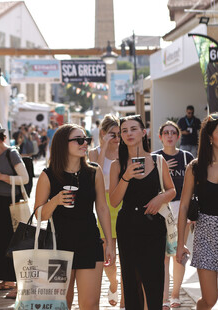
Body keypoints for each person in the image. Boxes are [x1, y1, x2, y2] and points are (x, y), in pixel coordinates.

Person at [34, 124, 115, 310]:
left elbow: (102, 208)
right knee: (62, 304)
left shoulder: (94, 172)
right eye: (79, 140)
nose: (84, 143)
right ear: (63, 144)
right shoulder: (48, 176)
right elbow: (39, 216)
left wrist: (109, 243)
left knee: (90, 304)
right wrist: (55, 201)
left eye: (86, 139)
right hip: (58, 246)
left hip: (89, 242)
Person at [109, 115, 176, 310]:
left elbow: (172, 190)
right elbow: (114, 202)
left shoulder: (158, 160)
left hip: (154, 225)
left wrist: (160, 198)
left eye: (133, 129)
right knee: (131, 280)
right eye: (124, 130)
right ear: (121, 136)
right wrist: (127, 176)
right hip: (128, 224)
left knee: (154, 278)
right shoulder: (117, 165)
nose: (129, 133)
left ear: (143, 132)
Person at [177, 112, 218, 310]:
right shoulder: (196, 167)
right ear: (209, 136)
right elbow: (183, 206)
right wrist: (180, 244)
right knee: (209, 300)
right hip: (205, 236)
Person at [0, 123, 29, 299]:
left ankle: (17, 282)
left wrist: (0, 177)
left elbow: (24, 178)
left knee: (10, 243)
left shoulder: (11, 153)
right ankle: (6, 279)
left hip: (8, 205)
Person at [153, 121, 194, 309]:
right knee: (162, 256)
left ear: (178, 136)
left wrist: (193, 212)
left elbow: (195, 187)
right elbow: (150, 188)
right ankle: (163, 297)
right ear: (160, 137)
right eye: (166, 133)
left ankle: (175, 294)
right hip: (162, 210)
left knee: (179, 253)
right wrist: (163, 170)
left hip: (182, 209)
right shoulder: (154, 158)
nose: (169, 135)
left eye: (173, 132)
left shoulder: (187, 157)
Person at [89, 114, 124, 309]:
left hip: (124, 202)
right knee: (108, 255)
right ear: (103, 133)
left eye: (119, 134)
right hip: (105, 204)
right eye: (112, 134)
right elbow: (97, 172)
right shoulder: (94, 152)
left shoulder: (124, 150)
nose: (117, 138)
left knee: (127, 253)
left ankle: (126, 299)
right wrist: (104, 147)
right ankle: (113, 282)